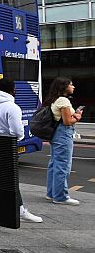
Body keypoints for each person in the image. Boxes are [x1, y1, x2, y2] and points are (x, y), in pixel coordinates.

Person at [0, 78, 42, 222]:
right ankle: (20, 210)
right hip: (3, 144)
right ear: (13, 89)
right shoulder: (12, 107)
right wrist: (20, 137)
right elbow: (17, 131)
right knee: (11, 177)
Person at [44, 77, 82, 206]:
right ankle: (60, 196)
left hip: (57, 134)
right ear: (64, 87)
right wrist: (77, 117)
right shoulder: (63, 101)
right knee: (63, 165)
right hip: (63, 134)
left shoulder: (55, 99)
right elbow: (67, 122)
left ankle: (51, 193)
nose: (73, 87)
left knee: (54, 164)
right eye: (71, 85)